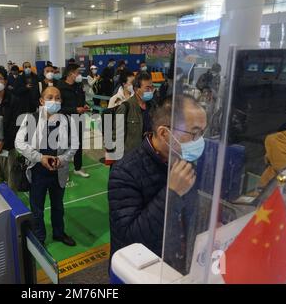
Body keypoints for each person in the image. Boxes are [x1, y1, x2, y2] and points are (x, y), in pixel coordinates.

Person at [108, 94, 207, 274]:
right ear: (164, 133)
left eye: (203, 133)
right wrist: (172, 193)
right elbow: (130, 240)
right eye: (194, 133)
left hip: (179, 263)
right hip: (144, 272)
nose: (200, 141)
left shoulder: (185, 159)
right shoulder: (125, 171)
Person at [15, 86, 78, 247]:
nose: (54, 101)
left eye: (57, 98)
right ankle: (39, 237)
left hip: (58, 170)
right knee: (37, 208)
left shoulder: (68, 121)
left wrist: (62, 159)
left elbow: (74, 145)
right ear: (42, 101)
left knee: (58, 206)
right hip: (38, 171)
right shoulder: (31, 119)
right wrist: (40, 158)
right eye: (50, 97)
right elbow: (19, 143)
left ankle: (58, 233)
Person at [58, 64, 91, 178]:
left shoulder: (78, 85)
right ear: (70, 73)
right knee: (65, 145)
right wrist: (74, 109)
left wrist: (84, 105)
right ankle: (63, 170)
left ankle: (78, 167)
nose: (79, 75)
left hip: (78, 119)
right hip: (65, 119)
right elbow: (59, 107)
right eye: (77, 72)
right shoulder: (60, 87)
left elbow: (82, 99)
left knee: (78, 144)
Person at [113, 72, 156, 157]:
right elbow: (116, 137)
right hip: (131, 158)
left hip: (148, 156)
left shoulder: (153, 106)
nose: (150, 91)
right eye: (147, 88)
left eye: (152, 87)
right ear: (136, 89)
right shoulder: (125, 107)